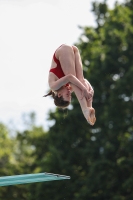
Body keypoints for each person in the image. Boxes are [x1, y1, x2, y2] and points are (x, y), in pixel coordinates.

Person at [44, 44, 96, 125]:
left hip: (63, 51)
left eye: (67, 95)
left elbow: (70, 77)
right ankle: (89, 107)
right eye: (70, 96)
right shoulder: (68, 88)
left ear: (59, 94)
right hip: (74, 50)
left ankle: (85, 109)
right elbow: (84, 81)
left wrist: (85, 90)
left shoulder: (54, 86)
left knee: (75, 83)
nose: (69, 92)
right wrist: (91, 90)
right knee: (80, 81)